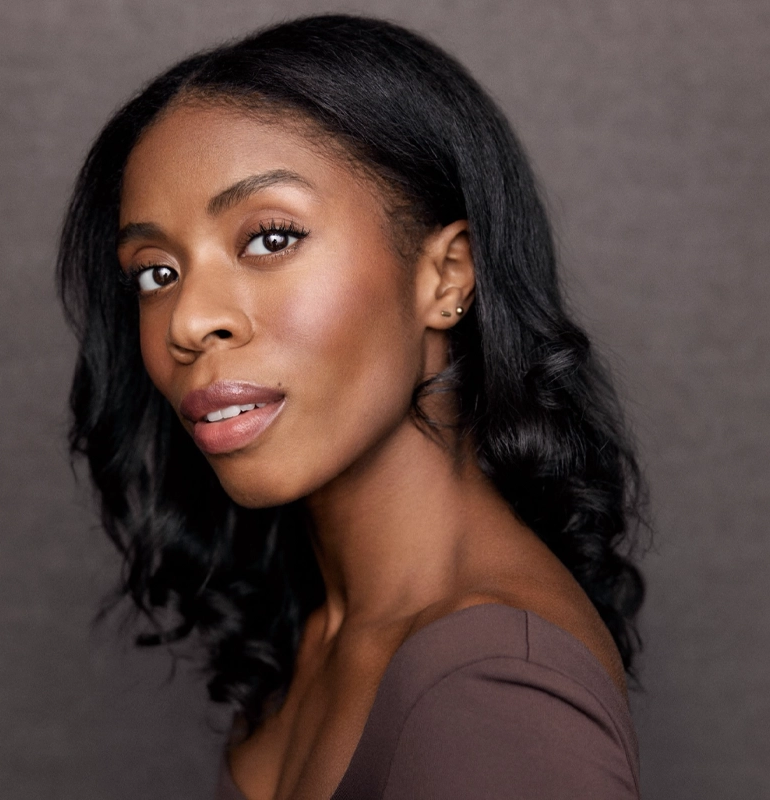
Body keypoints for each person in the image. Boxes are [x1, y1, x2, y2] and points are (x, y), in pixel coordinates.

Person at [57, 13, 646, 800]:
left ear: (446, 278)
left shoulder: (493, 690)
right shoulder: (319, 630)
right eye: (155, 273)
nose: (190, 321)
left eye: (269, 239)